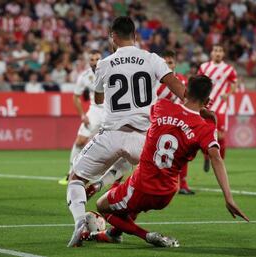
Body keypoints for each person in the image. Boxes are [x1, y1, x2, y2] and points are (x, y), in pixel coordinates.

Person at [66, 16, 186, 247]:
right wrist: (201, 109)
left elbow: (98, 97)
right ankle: (112, 203)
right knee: (134, 171)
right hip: (142, 137)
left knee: (76, 179)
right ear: (135, 35)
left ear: (113, 36)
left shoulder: (105, 64)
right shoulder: (152, 59)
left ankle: (80, 220)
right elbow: (179, 88)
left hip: (111, 133)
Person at [90, 75, 249, 247]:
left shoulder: (161, 107)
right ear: (208, 100)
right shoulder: (205, 128)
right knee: (128, 202)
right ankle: (113, 234)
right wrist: (228, 198)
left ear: (186, 92)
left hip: (143, 185)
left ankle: (147, 236)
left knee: (102, 206)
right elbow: (216, 158)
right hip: (167, 193)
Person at [58, 50, 103, 185]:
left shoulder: (111, 71)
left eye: (97, 59)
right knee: (80, 141)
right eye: (92, 60)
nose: (95, 62)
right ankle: (70, 172)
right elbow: (76, 97)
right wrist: (82, 115)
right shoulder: (84, 76)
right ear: (88, 61)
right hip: (95, 110)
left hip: (111, 112)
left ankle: (110, 177)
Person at [156, 50, 193, 195]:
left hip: (178, 123)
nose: (167, 66)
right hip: (158, 123)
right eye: (164, 63)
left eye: (170, 63)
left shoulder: (182, 81)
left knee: (182, 153)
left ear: (175, 64)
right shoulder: (154, 81)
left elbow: (186, 102)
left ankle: (183, 184)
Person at [198, 44, 238, 172]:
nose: (218, 53)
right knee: (205, 135)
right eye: (215, 50)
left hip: (221, 106)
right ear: (211, 53)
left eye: (220, 51)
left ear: (223, 54)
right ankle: (206, 157)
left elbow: (234, 84)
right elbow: (198, 82)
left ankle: (221, 162)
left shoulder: (228, 69)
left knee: (220, 136)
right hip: (207, 106)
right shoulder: (204, 67)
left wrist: (228, 94)